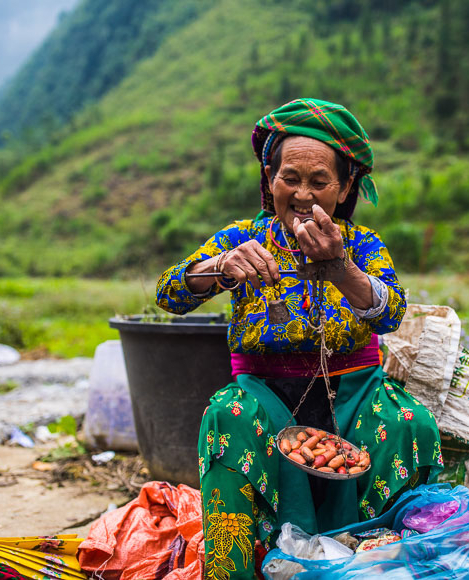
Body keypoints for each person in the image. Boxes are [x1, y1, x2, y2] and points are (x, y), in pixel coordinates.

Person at [155, 98, 443, 578]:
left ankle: (380, 564)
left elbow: (391, 312)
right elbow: (169, 293)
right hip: (264, 393)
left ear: (344, 187)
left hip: (354, 392)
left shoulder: (362, 244)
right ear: (270, 179)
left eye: (320, 181)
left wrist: (341, 268)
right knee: (227, 416)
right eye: (290, 178)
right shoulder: (241, 238)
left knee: (409, 423)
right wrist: (219, 266)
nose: (303, 194)